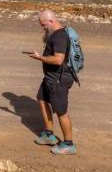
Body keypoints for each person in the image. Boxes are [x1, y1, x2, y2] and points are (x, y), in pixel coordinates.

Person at [28, 10, 77, 155]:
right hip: (50, 77)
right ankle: (49, 134)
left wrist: (40, 58)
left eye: (43, 25)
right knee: (42, 99)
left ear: (51, 21)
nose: (43, 28)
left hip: (59, 79)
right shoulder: (56, 34)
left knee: (61, 111)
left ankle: (69, 144)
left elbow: (58, 60)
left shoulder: (60, 37)